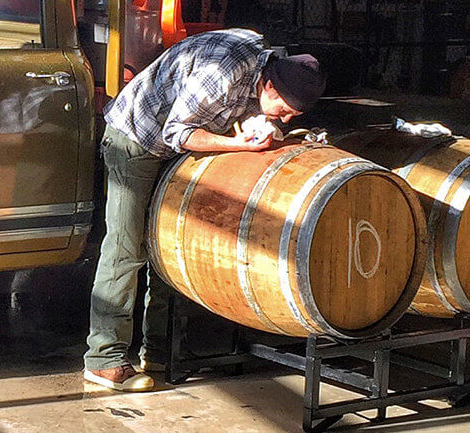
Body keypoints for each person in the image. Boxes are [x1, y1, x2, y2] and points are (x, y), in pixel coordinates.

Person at [84, 29, 325, 391]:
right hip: (137, 139)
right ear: (270, 88)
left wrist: (264, 128)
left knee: (167, 247)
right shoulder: (223, 72)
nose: (285, 119)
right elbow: (176, 132)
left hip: (172, 151)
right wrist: (235, 144)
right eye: (285, 111)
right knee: (126, 248)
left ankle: (159, 352)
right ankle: (104, 358)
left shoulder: (275, 67)